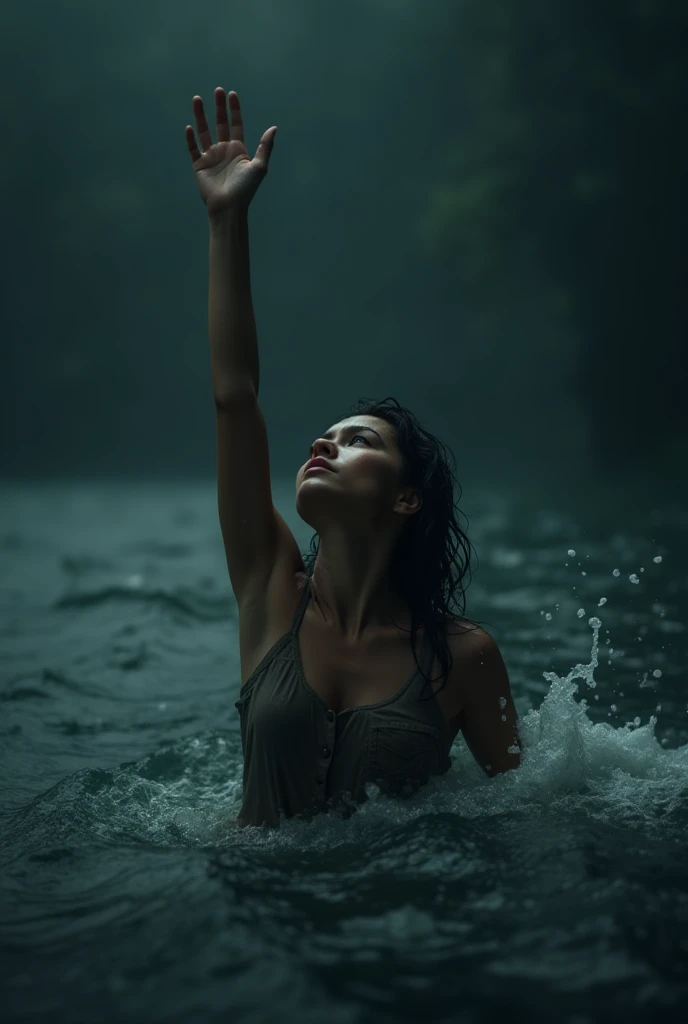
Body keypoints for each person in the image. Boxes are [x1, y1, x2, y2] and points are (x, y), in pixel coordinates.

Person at [185, 88, 521, 828]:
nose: (323, 444)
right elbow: (233, 399)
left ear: (406, 498)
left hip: (396, 927)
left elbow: (523, 812)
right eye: (325, 436)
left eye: (358, 440)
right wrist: (225, 219)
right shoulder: (267, 585)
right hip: (253, 924)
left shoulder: (464, 656)